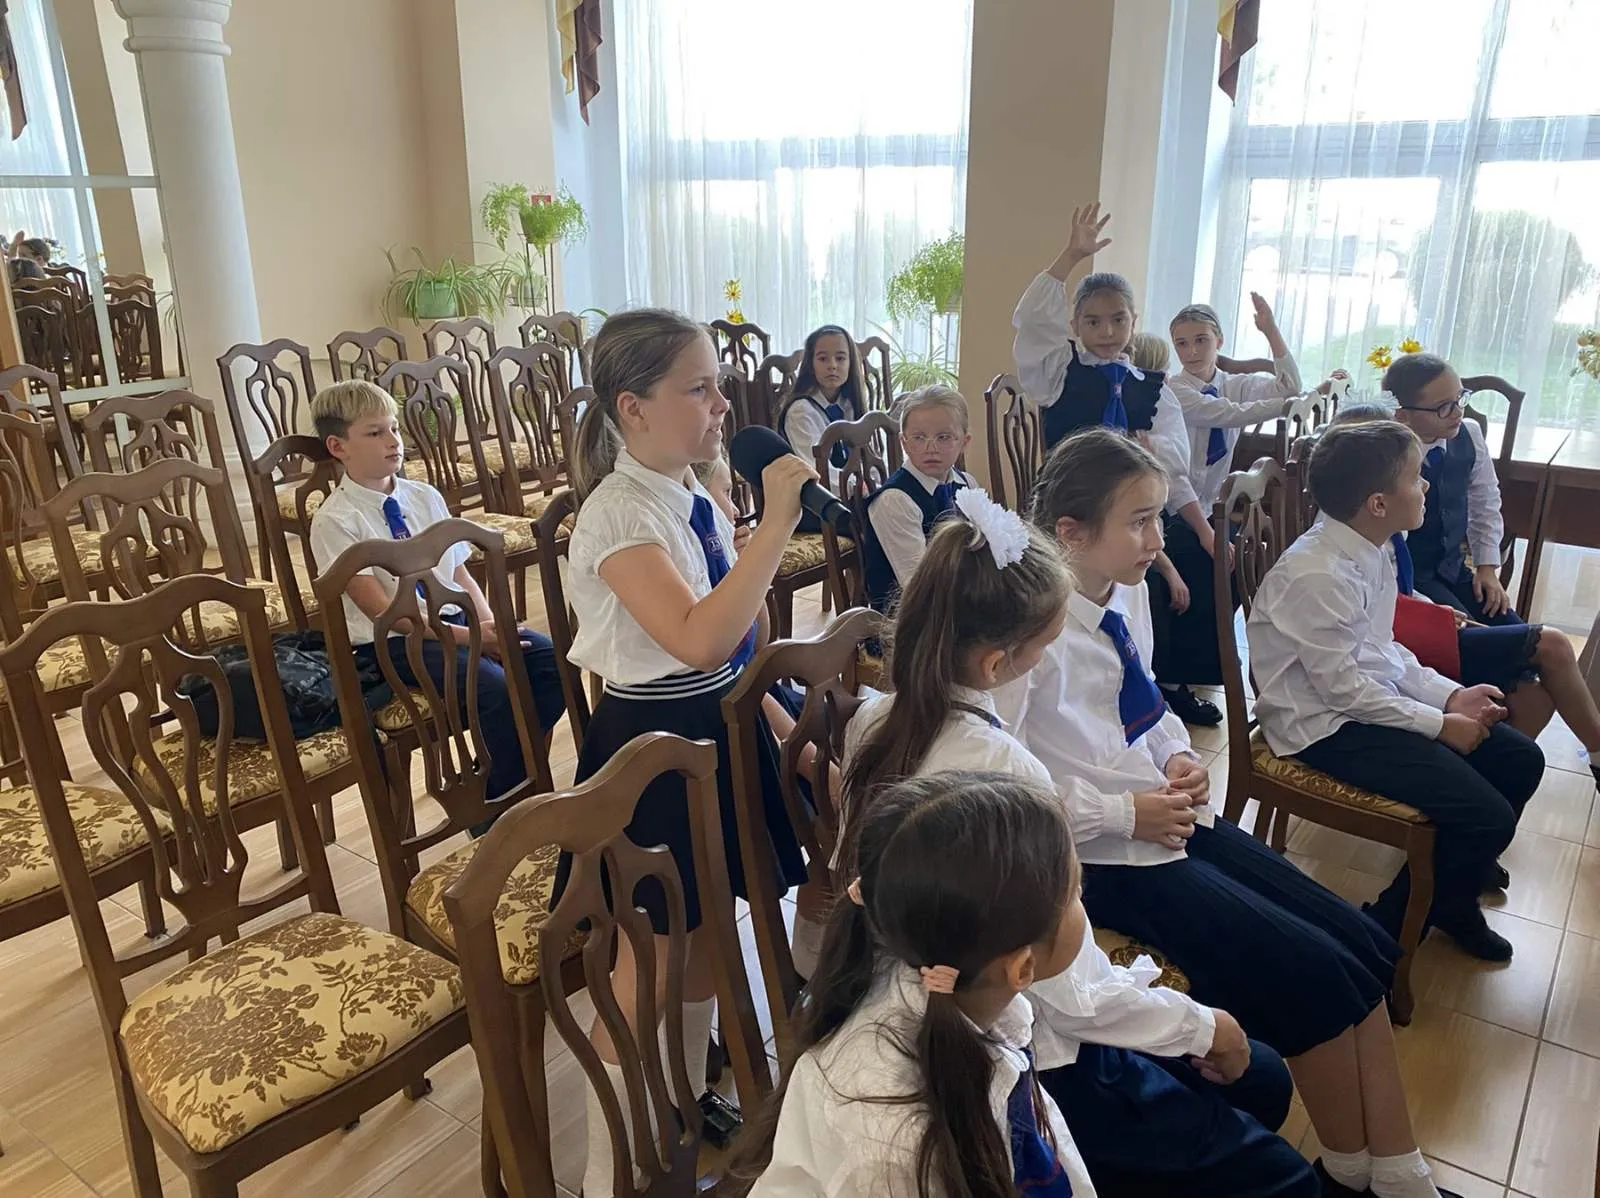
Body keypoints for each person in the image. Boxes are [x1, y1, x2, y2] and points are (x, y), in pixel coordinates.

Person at [997, 427, 1463, 1198]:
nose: (1158, 539)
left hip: (1162, 817)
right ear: (1071, 534)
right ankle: (1360, 1179)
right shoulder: (1025, 637)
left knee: (1357, 946)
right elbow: (1004, 791)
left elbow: (1142, 704)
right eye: (1138, 522)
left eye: (1157, 517)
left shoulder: (1126, 590)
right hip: (1094, 858)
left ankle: (1384, 1169)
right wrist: (1125, 812)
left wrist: (1178, 755)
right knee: (1309, 974)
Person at [840, 496, 1318, 1198]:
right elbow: (1064, 989)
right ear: (998, 664)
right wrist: (1205, 1027)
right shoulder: (1004, 774)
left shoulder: (876, 718)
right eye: (1046, 648)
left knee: (1262, 1080)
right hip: (1021, 1045)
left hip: (946, 1001)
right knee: (1280, 1154)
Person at [564, 309, 815, 1195]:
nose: (722, 404)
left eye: (719, 385)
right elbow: (699, 639)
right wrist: (776, 528)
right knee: (650, 964)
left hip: (714, 728)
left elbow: (736, 650)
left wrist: (780, 725)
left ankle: (685, 1097)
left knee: (710, 931)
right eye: (699, 389)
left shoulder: (691, 495)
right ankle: (607, 1172)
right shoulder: (618, 514)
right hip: (650, 752)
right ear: (632, 408)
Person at [1249, 420, 1547, 964]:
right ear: (1378, 503)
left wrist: (1448, 696)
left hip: (1357, 702)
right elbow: (1343, 692)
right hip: (1321, 726)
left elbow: (1380, 649)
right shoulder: (1318, 575)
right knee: (1486, 814)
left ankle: (1452, 884)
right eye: (1416, 477)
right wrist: (1439, 724)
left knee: (1522, 759)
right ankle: (1385, 929)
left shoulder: (1373, 547)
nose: (1426, 485)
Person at [728, 771, 1097, 1198]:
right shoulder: (895, 1147)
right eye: (1075, 891)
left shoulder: (950, 982)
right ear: (1022, 967)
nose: (1082, 898)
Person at [307, 379, 566, 813]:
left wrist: (489, 624)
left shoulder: (424, 496)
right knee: (492, 686)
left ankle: (507, 780)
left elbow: (460, 573)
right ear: (338, 447)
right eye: (375, 433)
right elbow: (388, 614)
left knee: (550, 662)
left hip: (456, 622)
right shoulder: (336, 520)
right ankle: (501, 808)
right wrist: (475, 639)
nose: (394, 441)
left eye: (394, 428)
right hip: (392, 644)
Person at [1012, 203, 1215, 725]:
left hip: (1135, 505)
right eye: (1093, 321)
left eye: (1118, 319)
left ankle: (1164, 680)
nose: (1106, 330)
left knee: (1196, 555)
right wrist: (1070, 256)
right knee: (1128, 566)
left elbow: (1174, 465)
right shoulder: (1060, 370)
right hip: (1073, 503)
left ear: (1134, 322)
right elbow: (1031, 324)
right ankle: (1082, 676)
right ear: (1075, 325)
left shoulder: (1153, 387)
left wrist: (1200, 523)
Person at [1328, 403, 1600, 790]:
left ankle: (1478, 783)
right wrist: (1426, 618)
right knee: (1552, 645)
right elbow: (1364, 631)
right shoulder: (1346, 539)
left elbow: (1393, 585)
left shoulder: (1381, 523)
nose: (1422, 482)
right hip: (1396, 642)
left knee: (1535, 695)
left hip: (1410, 621)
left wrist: (1431, 606)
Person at [1384, 353, 1517, 625]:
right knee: (1478, 638)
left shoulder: (1470, 434)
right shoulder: (1387, 454)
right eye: (1443, 407)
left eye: (1460, 398)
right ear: (1402, 414)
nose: (1458, 412)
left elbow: (1485, 501)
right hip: (1410, 580)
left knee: (1520, 631)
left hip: (1453, 569)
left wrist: (1487, 567)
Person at [857, 384, 976, 613]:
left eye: (944, 437)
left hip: (960, 597)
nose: (931, 448)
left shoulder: (967, 484)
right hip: (911, 615)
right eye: (919, 438)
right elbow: (918, 585)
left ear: (964, 442)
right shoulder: (896, 500)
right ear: (904, 442)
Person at [778, 324, 865, 531]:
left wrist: (876, 483)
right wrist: (859, 487)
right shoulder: (801, 411)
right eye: (823, 359)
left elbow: (866, 456)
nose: (832, 366)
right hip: (816, 506)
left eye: (840, 358)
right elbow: (817, 472)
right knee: (878, 523)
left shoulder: (849, 405)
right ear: (810, 364)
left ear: (851, 363)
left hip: (851, 497)